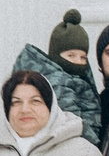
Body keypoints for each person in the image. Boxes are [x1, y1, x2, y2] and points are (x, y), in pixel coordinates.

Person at [11, 9, 103, 146]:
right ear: (56, 56)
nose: (78, 61)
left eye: (83, 57)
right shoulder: (58, 82)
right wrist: (93, 144)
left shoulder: (77, 79)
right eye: (71, 55)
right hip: (76, 144)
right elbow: (71, 119)